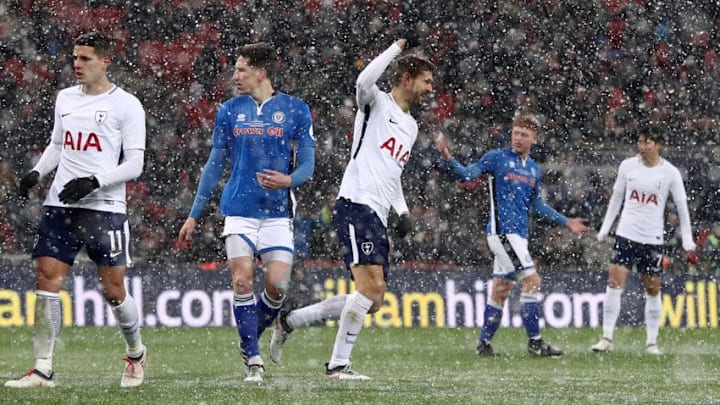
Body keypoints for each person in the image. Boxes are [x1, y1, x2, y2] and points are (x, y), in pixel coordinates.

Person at [269, 39, 435, 380]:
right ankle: (337, 366)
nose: (430, 88)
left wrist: (402, 211)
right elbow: (362, 82)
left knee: (372, 300)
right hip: (355, 203)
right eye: (426, 81)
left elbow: (393, 172)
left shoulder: (412, 126)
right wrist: (394, 48)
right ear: (407, 78)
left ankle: (290, 320)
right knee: (370, 289)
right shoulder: (375, 103)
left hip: (377, 212)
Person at [5, 31, 147, 388]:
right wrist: (37, 173)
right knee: (46, 281)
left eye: (85, 59)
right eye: (75, 57)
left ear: (105, 62)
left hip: (105, 207)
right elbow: (57, 144)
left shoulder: (127, 105)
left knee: (114, 291)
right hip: (60, 204)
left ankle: (135, 353)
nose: (77, 65)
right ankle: (42, 368)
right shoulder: (65, 98)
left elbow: (134, 165)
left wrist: (95, 181)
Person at [176, 42, 316, 383]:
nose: (235, 76)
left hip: (277, 213)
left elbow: (309, 165)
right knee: (241, 281)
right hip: (238, 210)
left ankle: (255, 332)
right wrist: (194, 214)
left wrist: (288, 179)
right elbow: (214, 166)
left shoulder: (296, 110)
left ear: (261, 73)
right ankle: (253, 357)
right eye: (235, 69)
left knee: (278, 285)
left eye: (241, 70)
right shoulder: (229, 111)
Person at [435, 113, 591, 357]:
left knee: (501, 288)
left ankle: (484, 344)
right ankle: (535, 343)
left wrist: (566, 222)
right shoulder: (497, 158)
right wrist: (448, 159)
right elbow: (467, 175)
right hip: (502, 233)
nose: (518, 138)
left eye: (524, 134)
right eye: (516, 133)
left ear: (534, 139)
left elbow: (537, 206)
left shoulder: (532, 169)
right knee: (532, 281)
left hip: (519, 236)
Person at [591, 127, 695, 355]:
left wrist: (687, 237)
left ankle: (651, 342)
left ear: (658, 145)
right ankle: (607, 338)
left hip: (652, 239)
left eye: (648, 142)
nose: (643, 146)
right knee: (614, 283)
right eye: (640, 141)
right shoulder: (627, 166)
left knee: (653, 290)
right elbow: (617, 198)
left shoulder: (670, 173)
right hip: (626, 234)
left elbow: (682, 206)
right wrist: (605, 228)